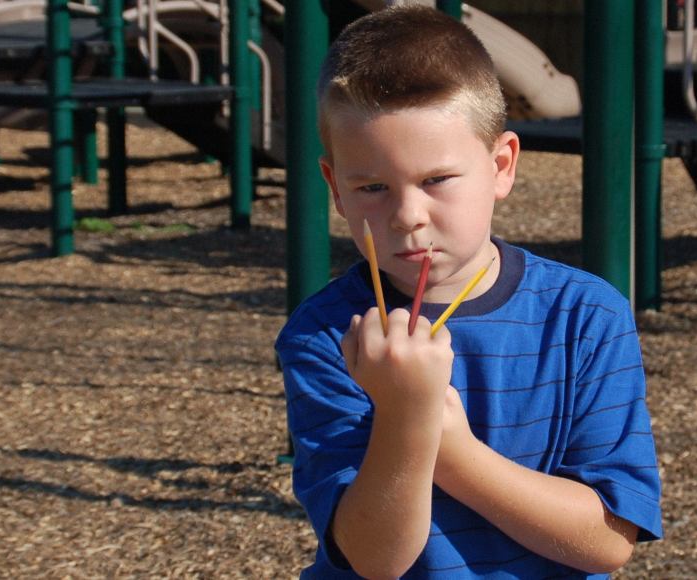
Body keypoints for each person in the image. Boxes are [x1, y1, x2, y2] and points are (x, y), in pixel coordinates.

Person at [275, 6, 662, 578]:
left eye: (436, 180)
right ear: (335, 187)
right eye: (373, 187)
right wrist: (406, 417)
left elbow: (607, 541)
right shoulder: (329, 335)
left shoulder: (585, 315)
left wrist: (451, 449)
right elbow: (373, 559)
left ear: (501, 165)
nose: (407, 216)